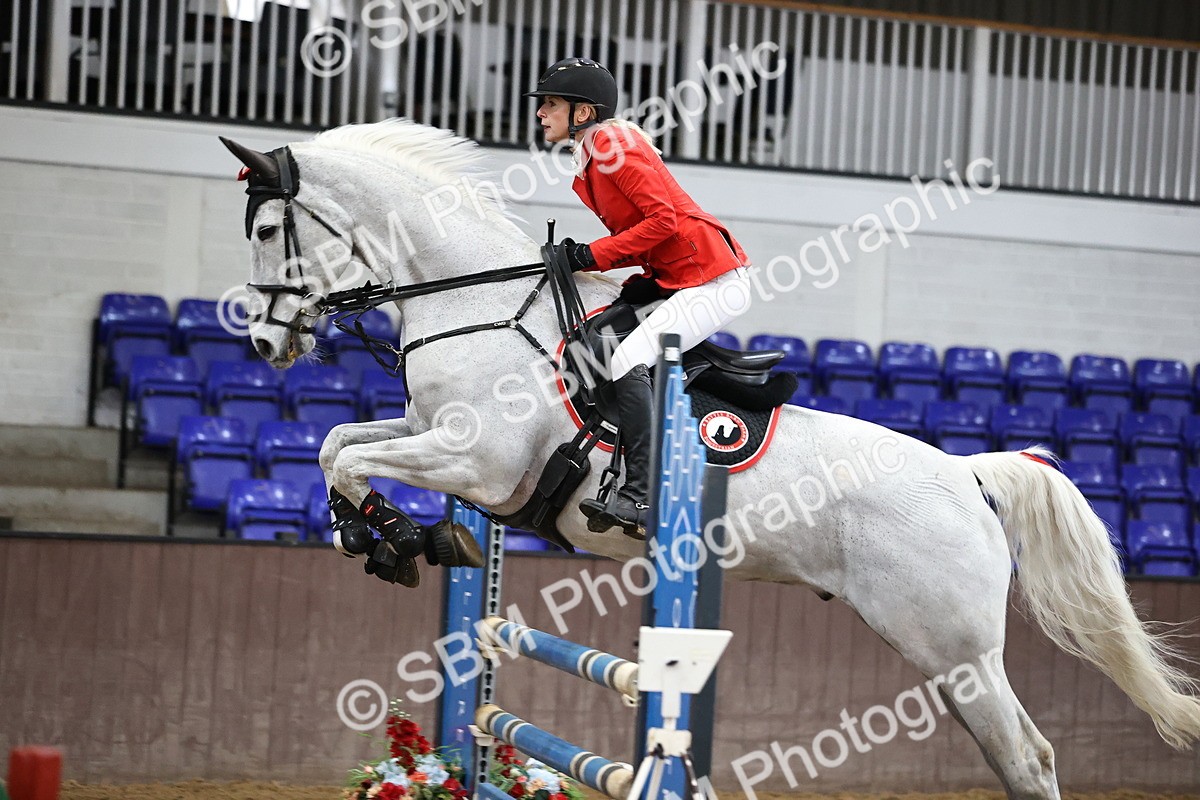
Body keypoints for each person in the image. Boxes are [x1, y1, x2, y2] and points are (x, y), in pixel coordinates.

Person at [526, 57, 754, 538]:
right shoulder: (592, 154)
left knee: (627, 357)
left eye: (550, 104)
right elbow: (645, 233)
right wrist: (586, 255)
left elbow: (664, 223)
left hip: (712, 280)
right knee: (591, 338)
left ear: (582, 113)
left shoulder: (612, 146)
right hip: (672, 278)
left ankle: (646, 492)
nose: (541, 113)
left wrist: (592, 255)